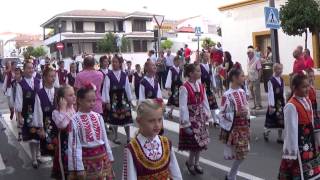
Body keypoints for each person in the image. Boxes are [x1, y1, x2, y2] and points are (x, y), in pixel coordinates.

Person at [122, 99, 183, 180]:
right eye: (151, 121)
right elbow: (130, 177)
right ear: (139, 121)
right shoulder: (132, 148)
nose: (157, 125)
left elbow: (176, 173)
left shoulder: (166, 143)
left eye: (160, 120)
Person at [278, 73, 320, 180]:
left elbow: (312, 123)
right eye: (304, 87)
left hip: (309, 143)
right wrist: (291, 153)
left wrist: (316, 141)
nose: (307, 89)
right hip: (299, 145)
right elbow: (290, 131)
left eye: (308, 86)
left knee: (313, 173)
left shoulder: (308, 101)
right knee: (299, 173)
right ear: (294, 88)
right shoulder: (291, 105)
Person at [68, 84, 114, 180]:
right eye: (89, 101)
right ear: (79, 100)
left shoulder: (98, 116)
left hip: (102, 157)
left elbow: (104, 138)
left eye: (94, 100)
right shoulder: (74, 120)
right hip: (86, 160)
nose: (92, 103)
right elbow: (74, 145)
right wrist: (78, 167)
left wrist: (109, 155)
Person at [179, 63, 214, 175]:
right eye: (198, 71)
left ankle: (197, 163)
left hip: (200, 118)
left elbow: (204, 101)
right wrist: (185, 123)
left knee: (200, 144)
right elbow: (183, 106)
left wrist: (208, 116)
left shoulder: (200, 86)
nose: (200, 73)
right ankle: (190, 163)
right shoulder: (185, 87)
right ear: (191, 73)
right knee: (194, 145)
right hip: (191, 119)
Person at [219, 64, 250, 180]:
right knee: (241, 154)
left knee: (243, 153)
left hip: (244, 127)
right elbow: (221, 114)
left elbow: (246, 107)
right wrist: (236, 114)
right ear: (234, 78)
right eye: (242, 76)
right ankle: (232, 176)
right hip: (235, 128)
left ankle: (231, 175)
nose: (244, 78)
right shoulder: (227, 95)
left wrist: (246, 113)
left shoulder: (242, 91)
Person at [15, 60, 42, 169]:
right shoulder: (20, 84)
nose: (31, 70)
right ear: (24, 70)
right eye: (28, 68)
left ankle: (38, 154)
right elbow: (18, 101)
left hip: (39, 112)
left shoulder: (38, 81)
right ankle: (34, 158)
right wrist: (20, 116)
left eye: (32, 68)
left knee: (39, 134)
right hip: (28, 113)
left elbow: (42, 95)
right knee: (32, 136)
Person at [102, 54, 133, 144]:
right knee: (114, 119)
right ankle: (116, 137)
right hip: (114, 99)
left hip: (124, 99)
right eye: (113, 62)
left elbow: (127, 88)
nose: (114, 64)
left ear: (120, 63)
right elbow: (106, 89)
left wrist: (130, 100)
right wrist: (107, 102)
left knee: (127, 118)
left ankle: (128, 137)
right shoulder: (109, 75)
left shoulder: (124, 75)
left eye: (116, 62)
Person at [51, 85, 76, 180]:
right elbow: (62, 125)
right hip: (64, 144)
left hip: (74, 143)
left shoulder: (72, 108)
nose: (74, 96)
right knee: (65, 168)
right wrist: (63, 109)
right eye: (70, 95)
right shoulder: (56, 112)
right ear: (62, 99)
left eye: (74, 94)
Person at [33, 66, 58, 157]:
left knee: (60, 152)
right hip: (47, 126)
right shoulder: (39, 93)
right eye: (51, 76)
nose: (53, 78)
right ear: (44, 77)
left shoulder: (58, 91)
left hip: (59, 126)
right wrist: (41, 128)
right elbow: (38, 112)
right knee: (50, 152)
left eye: (54, 76)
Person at [264, 63, 285, 143]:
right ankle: (266, 132)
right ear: (275, 70)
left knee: (281, 120)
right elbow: (270, 93)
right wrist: (271, 105)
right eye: (279, 69)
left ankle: (279, 137)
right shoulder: (271, 80)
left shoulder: (282, 79)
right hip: (274, 102)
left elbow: (283, 91)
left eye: (281, 69)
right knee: (271, 119)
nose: (280, 71)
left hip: (281, 103)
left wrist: (285, 101)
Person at [200, 53, 219, 125]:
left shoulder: (210, 66)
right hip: (202, 89)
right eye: (205, 56)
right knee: (205, 105)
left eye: (207, 57)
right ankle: (206, 119)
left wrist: (214, 86)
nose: (207, 58)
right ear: (202, 57)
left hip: (208, 89)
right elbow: (198, 78)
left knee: (213, 104)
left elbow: (212, 77)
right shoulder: (200, 66)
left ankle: (215, 120)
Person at [10, 67, 23, 141]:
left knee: (23, 119)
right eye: (15, 73)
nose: (16, 75)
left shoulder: (23, 83)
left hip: (23, 104)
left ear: (21, 74)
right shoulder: (13, 83)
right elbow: (12, 93)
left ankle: (24, 132)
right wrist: (12, 103)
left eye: (18, 74)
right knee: (18, 119)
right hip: (16, 103)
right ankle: (20, 134)